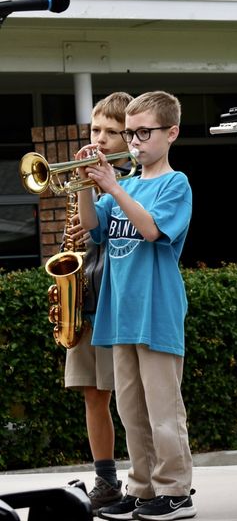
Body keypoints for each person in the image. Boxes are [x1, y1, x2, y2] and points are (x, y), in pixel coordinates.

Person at [76, 91, 197, 521]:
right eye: (130, 133)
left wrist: (111, 185)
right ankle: (143, 488)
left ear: (172, 133)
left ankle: (176, 491)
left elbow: (149, 229)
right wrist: (86, 186)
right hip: (119, 312)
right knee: (131, 410)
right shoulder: (123, 184)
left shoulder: (174, 183)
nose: (134, 142)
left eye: (144, 133)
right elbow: (93, 228)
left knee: (164, 410)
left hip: (156, 309)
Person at [63, 91, 133, 510]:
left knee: (128, 395)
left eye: (113, 132)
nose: (102, 138)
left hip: (118, 302)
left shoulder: (132, 179)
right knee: (93, 394)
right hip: (87, 300)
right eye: (96, 129)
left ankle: (147, 475)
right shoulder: (85, 177)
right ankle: (105, 479)